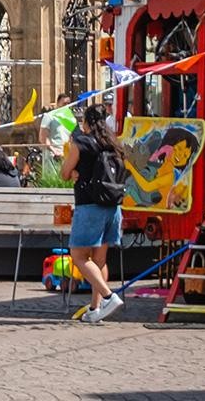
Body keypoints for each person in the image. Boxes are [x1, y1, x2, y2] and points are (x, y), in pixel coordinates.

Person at [60, 105, 129, 323]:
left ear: (87, 123)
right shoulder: (114, 144)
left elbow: (64, 173)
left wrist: (74, 173)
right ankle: (95, 309)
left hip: (89, 206)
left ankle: (108, 297)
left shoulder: (81, 143)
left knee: (79, 256)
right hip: (112, 206)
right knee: (99, 260)